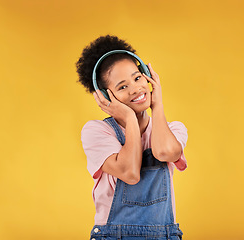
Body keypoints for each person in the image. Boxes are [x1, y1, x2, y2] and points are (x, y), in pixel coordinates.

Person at [76, 35, 188, 240]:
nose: (135, 88)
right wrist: (129, 118)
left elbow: (164, 152)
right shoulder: (97, 132)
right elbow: (130, 173)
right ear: (105, 96)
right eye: (122, 87)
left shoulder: (174, 130)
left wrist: (158, 104)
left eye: (137, 78)